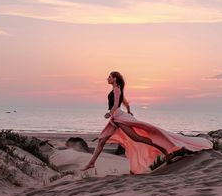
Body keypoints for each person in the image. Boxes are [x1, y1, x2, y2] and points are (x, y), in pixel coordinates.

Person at [82, 71, 212, 174]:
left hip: (118, 117)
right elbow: (124, 101)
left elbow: (116, 104)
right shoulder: (117, 89)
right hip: (115, 118)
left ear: (115, 78)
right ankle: (91, 163)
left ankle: (164, 150)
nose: (107, 78)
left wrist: (110, 113)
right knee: (102, 141)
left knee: (137, 138)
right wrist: (128, 110)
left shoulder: (116, 89)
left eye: (109, 77)